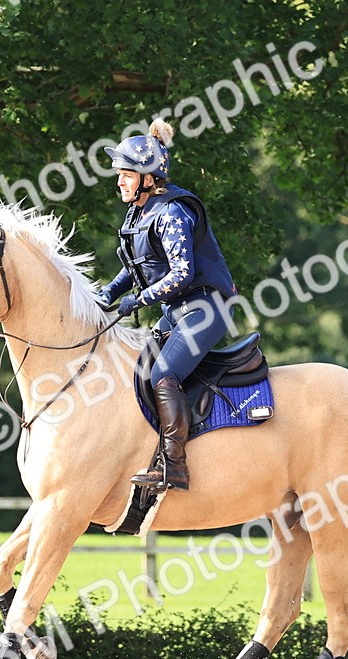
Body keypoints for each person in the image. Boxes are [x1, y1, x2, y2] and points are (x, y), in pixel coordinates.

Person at [97, 119, 238, 492]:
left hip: (207, 308)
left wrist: (138, 300)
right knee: (138, 373)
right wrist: (108, 294)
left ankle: (174, 466)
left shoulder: (172, 212)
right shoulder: (141, 213)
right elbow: (136, 268)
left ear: (147, 176)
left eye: (125, 175)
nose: (119, 182)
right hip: (177, 312)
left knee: (163, 376)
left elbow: (181, 274)